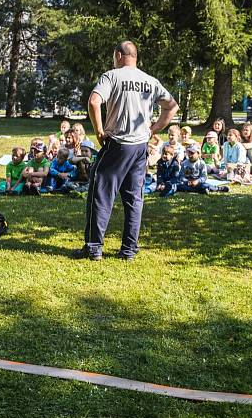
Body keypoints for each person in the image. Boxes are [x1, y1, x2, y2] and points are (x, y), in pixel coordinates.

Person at [73, 41, 179, 261]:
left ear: (118, 55)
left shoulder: (111, 76)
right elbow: (172, 106)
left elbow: (94, 101)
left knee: (100, 194)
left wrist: (100, 131)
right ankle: (128, 250)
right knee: (134, 199)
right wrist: (153, 129)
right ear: (136, 57)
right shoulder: (150, 81)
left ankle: (94, 248)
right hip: (140, 147)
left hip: (117, 145)